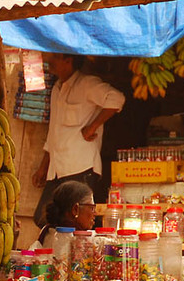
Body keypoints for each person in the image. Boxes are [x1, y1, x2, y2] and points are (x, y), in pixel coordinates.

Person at [32, 53, 125, 226]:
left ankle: (77, 251)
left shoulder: (87, 84)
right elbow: (53, 133)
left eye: (55, 57)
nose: (49, 61)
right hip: (58, 169)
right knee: (43, 217)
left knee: (76, 220)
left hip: (80, 167)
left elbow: (117, 99)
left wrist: (93, 126)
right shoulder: (57, 89)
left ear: (68, 60)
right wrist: (43, 167)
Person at [31, 179, 95, 248]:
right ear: (75, 209)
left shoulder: (48, 232)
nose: (95, 213)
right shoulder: (73, 243)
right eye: (92, 208)